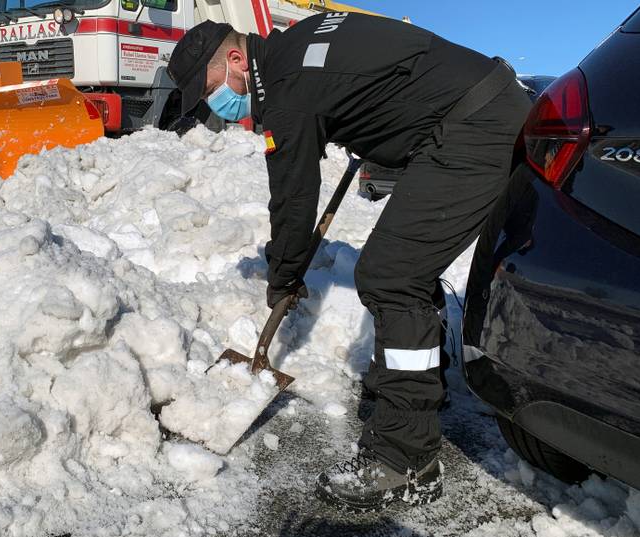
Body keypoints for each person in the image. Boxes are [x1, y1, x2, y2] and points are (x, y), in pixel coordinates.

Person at [167, 13, 529, 511]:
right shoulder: (298, 45)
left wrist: (284, 276)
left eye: (210, 90)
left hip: (472, 126)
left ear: (235, 59)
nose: (217, 106)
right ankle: (417, 392)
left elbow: (293, 200)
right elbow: (376, 75)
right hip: (473, 111)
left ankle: (406, 460)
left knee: (391, 275)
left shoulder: (287, 88)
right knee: (403, 267)